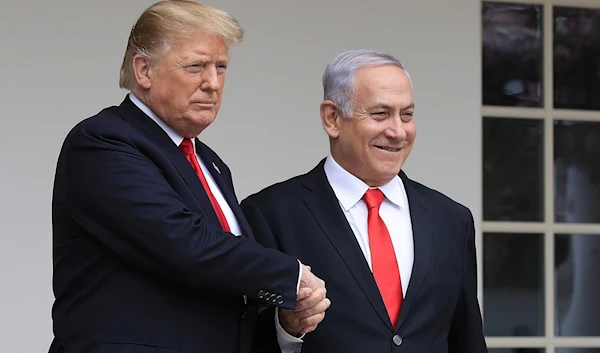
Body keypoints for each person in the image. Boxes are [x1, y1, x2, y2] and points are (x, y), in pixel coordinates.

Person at [49, 1, 329, 353]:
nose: (212, 83)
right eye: (196, 66)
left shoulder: (209, 163)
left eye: (221, 67)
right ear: (144, 71)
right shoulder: (103, 142)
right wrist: (290, 276)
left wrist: (285, 321)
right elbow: (184, 244)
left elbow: (223, 291)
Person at [241, 50, 488, 353]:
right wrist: (287, 327)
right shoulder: (270, 214)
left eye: (407, 115)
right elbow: (245, 337)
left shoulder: (452, 220)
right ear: (332, 118)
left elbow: (467, 339)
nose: (398, 131)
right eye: (380, 114)